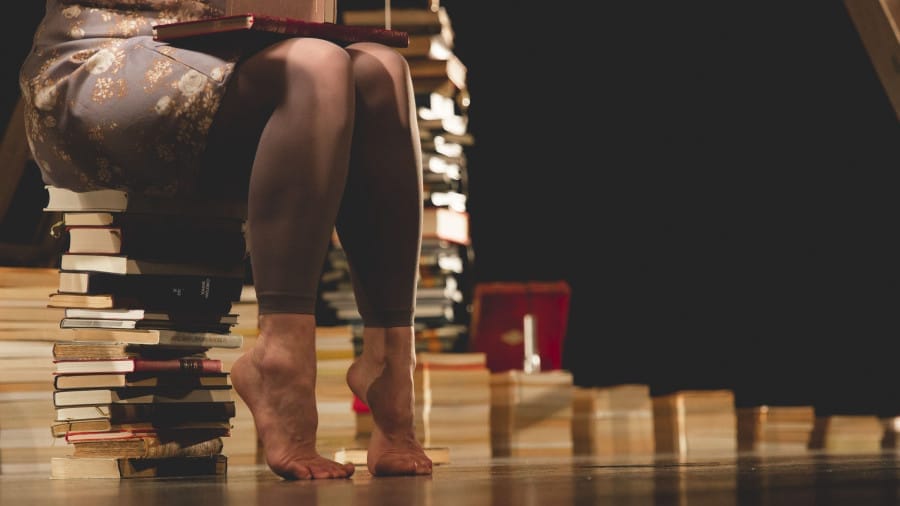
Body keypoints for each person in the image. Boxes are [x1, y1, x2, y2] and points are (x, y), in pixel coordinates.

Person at [19, 0, 432, 479]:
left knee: (383, 70)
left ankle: (389, 368)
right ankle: (281, 364)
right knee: (317, 65)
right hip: (105, 58)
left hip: (233, 55)